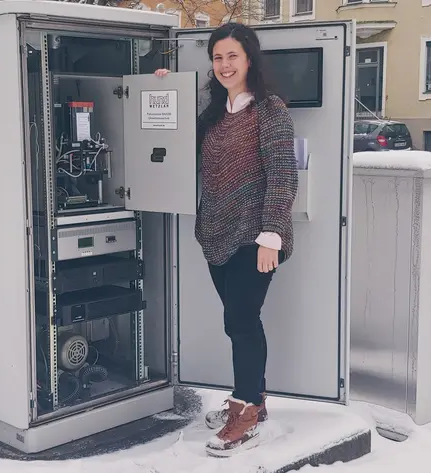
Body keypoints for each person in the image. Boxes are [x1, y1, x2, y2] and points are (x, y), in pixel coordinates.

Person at [155, 23, 298, 457]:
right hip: (216, 233)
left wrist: (271, 236)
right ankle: (255, 399)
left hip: (256, 238)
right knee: (237, 320)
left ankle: (247, 411)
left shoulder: (270, 109)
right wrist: (164, 93)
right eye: (217, 57)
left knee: (241, 320)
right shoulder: (214, 113)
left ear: (249, 59)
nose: (224, 65)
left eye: (232, 56)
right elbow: (180, 144)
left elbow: (282, 175)